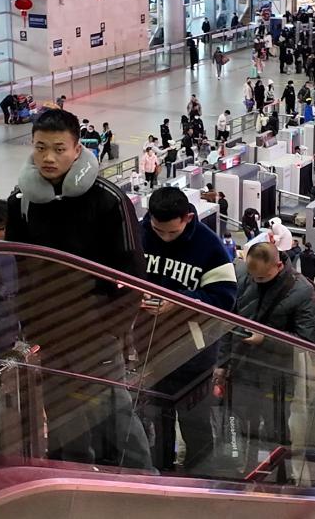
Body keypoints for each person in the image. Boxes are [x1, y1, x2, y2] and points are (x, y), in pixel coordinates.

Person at [5, 108, 153, 470]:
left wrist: (111, 328)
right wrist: (29, 321)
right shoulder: (21, 202)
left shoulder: (109, 200)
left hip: (97, 332)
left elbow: (132, 273)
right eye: (40, 148)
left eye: (58, 148)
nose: (48, 157)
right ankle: (74, 477)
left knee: (114, 410)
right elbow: (18, 267)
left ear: (77, 150)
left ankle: (145, 479)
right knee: (61, 415)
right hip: (50, 332)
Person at [140, 187, 237, 470]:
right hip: (149, 345)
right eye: (158, 230)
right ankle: (162, 470)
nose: (164, 238)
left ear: (188, 218)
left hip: (194, 351)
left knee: (195, 420)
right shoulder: (139, 232)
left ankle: (200, 475)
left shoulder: (211, 247)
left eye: (172, 232)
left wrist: (180, 302)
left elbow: (225, 298)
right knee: (157, 418)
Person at [216, 242, 315, 473]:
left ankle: (281, 473)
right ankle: (242, 468)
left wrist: (266, 339)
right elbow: (228, 321)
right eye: (253, 277)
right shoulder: (243, 275)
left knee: (276, 429)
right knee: (239, 423)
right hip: (242, 369)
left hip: (277, 375)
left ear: (279, 265)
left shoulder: (302, 290)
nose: (256, 281)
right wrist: (222, 364)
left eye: (261, 278)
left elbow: (306, 341)